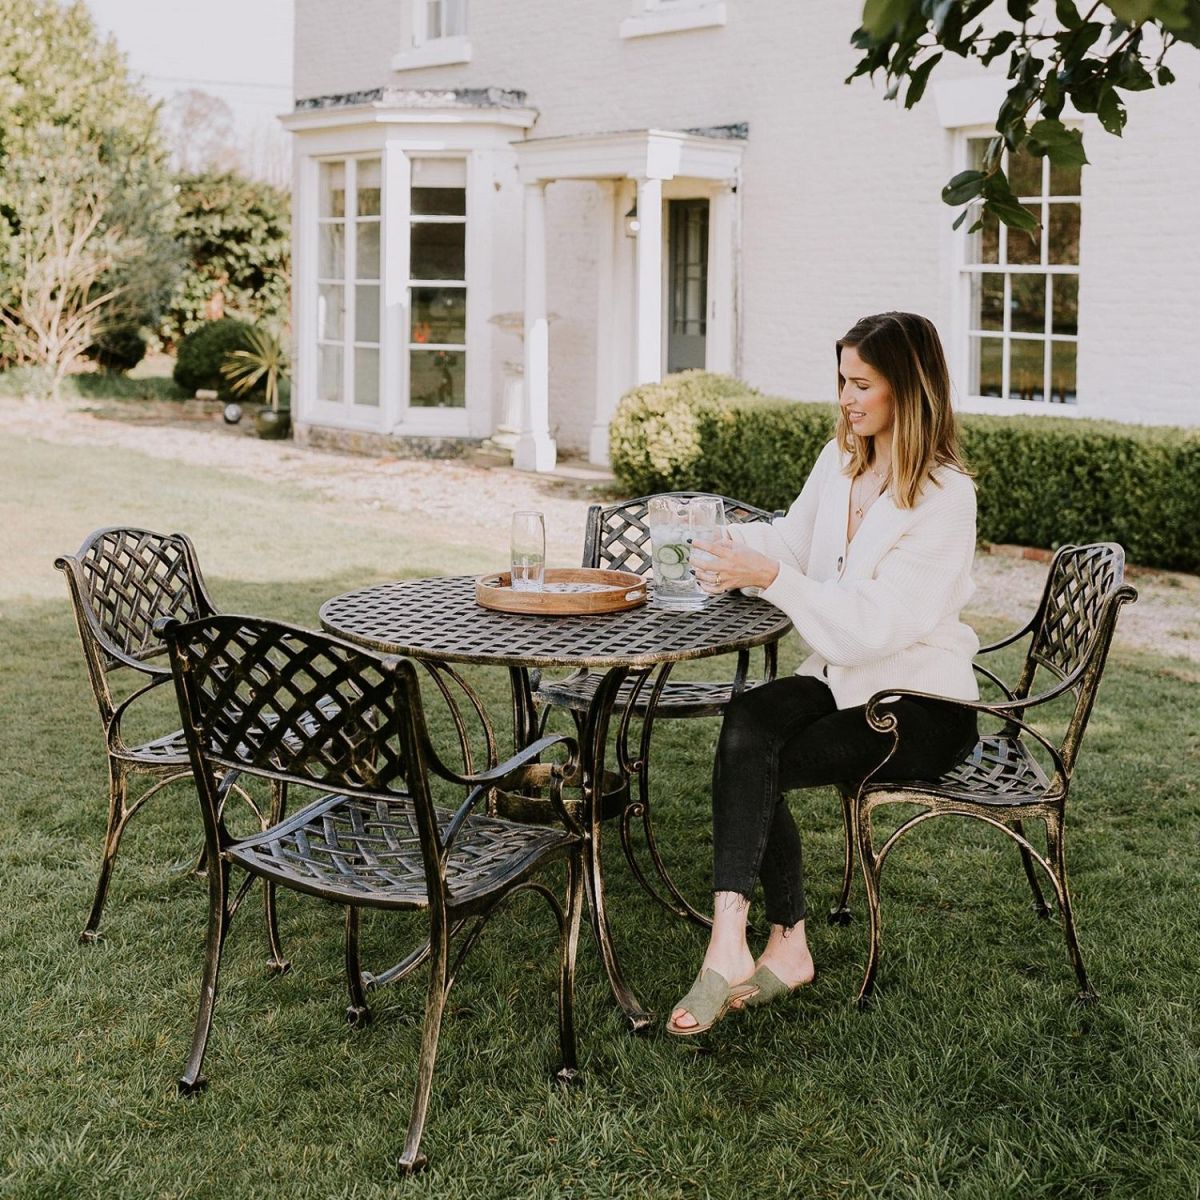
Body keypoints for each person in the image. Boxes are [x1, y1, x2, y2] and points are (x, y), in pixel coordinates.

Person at [667, 311, 981, 1036]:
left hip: (922, 705)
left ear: (909, 388)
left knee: (763, 757)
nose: (844, 396)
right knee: (747, 722)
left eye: (861, 383)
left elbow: (872, 626)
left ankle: (763, 947)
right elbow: (791, 542)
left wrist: (773, 576)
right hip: (845, 679)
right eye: (841, 379)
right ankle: (745, 941)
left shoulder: (944, 498)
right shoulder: (842, 463)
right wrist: (708, 538)